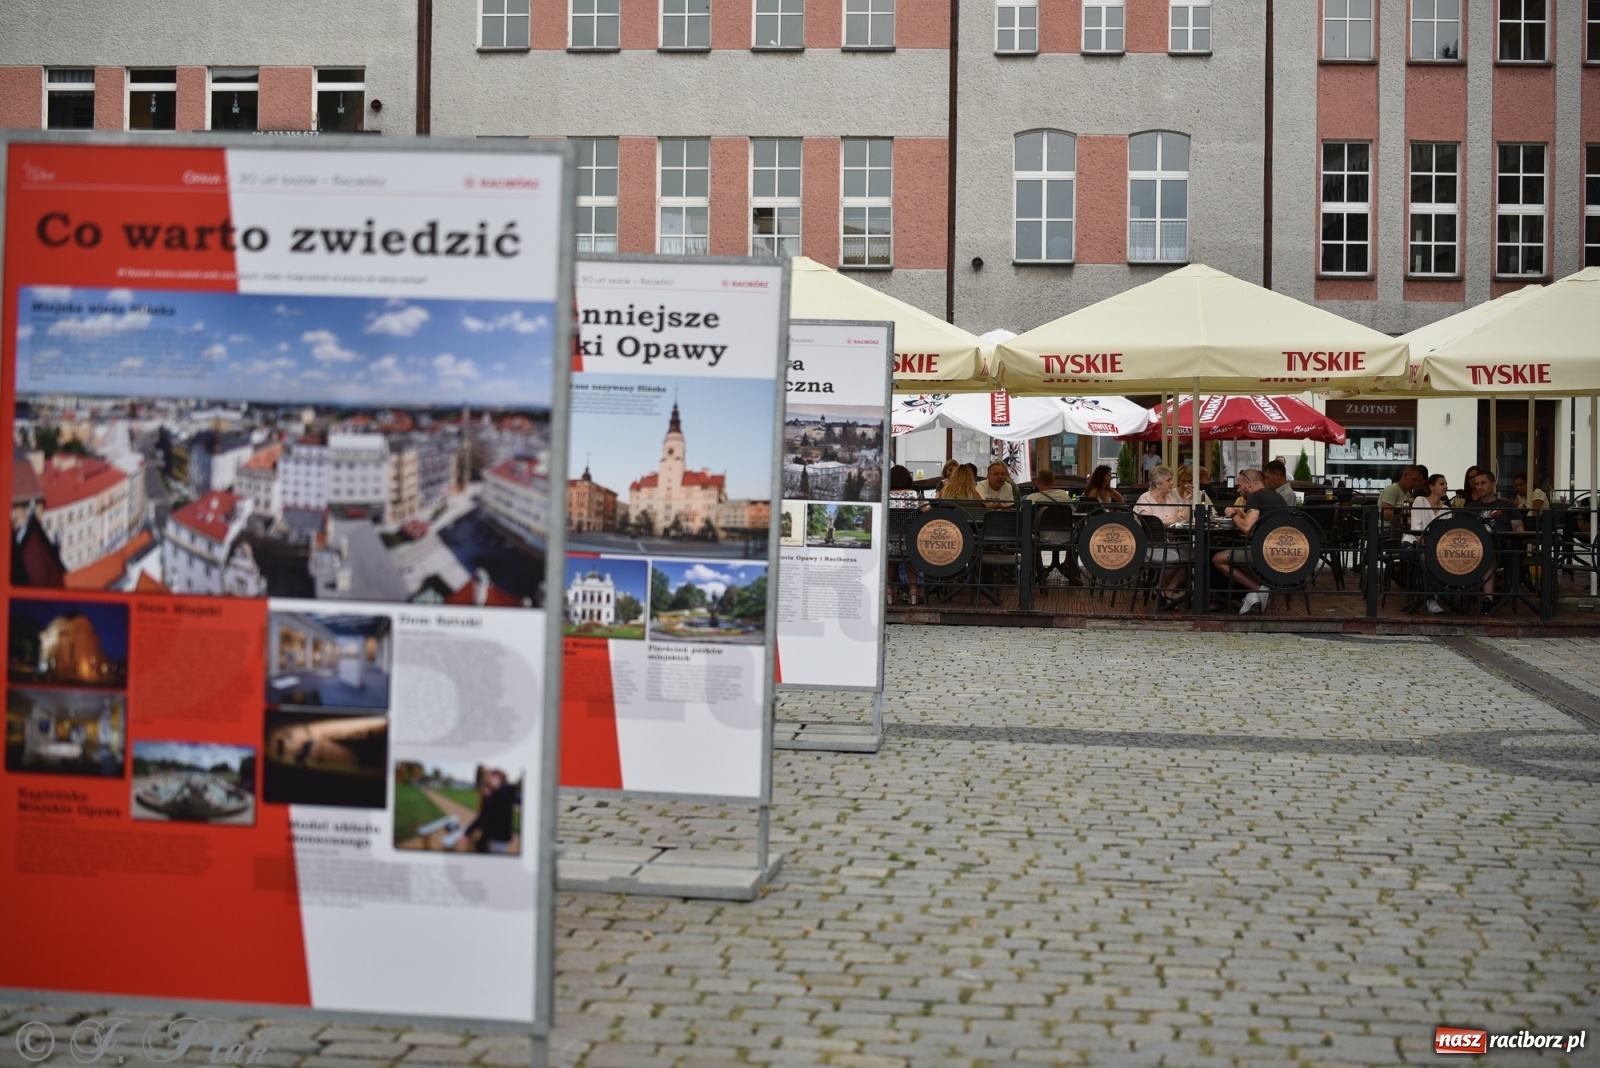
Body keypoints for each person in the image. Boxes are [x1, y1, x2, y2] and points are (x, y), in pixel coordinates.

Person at [1212, 468, 1289, 613]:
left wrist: (1233, 513)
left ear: (1248, 483)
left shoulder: (1255, 496)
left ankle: (1259, 590)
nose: (1238, 489)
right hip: (1281, 549)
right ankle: (1249, 597)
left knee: (1218, 558)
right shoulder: (1275, 496)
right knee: (1239, 556)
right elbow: (1255, 524)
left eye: (1239, 485)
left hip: (1264, 552)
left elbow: (1247, 528)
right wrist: (1242, 515)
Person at [1464, 469, 1523, 613]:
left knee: (1490, 547)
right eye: (1477, 484)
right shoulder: (1471, 508)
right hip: (1475, 550)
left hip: (1504, 548)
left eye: (1483, 483)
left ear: (1492, 484)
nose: (1479, 487)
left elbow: (1519, 530)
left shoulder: (1507, 506)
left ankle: (1488, 599)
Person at [1135, 466, 1191, 606]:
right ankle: (1163, 589)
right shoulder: (1145, 499)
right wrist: (1174, 520)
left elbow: (1184, 520)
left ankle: (1166, 589)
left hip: (1172, 543)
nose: (1172, 483)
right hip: (1151, 545)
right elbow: (1149, 523)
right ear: (1158, 484)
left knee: (1195, 555)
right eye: (1169, 480)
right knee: (1181, 555)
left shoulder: (1170, 497)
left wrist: (1187, 502)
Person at [1404, 473, 1452, 614]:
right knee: (1429, 556)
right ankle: (1431, 597)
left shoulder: (1447, 510)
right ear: (1431, 487)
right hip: (1412, 544)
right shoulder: (1420, 501)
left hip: (1436, 548)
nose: (1446, 487)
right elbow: (1416, 529)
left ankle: (1436, 593)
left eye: (1446, 484)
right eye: (1442, 484)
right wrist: (1428, 546)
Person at [466, 769, 520, 854]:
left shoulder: (505, 791)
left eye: (493, 777)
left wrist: (468, 831)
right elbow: (486, 815)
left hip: (499, 836)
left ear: (500, 779)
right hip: (492, 833)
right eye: (490, 778)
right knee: (482, 847)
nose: (490, 780)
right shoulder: (494, 795)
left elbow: (485, 816)